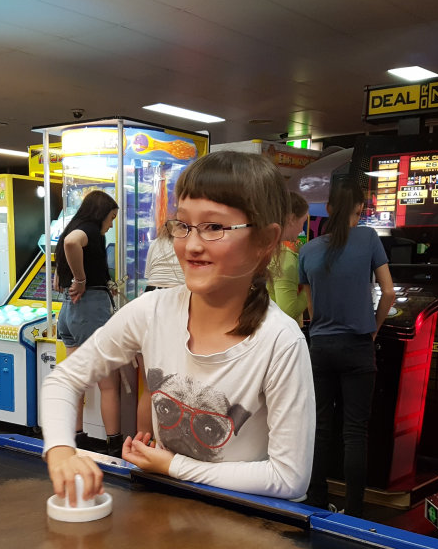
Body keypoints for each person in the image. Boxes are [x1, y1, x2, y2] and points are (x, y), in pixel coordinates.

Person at [41, 151, 315, 506]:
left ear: (264, 240)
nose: (193, 245)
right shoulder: (152, 311)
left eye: (214, 227)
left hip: (247, 530)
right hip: (167, 517)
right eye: (183, 225)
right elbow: (65, 379)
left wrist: (174, 466)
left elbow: (288, 477)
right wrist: (61, 451)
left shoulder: (279, 341)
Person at [298, 177, 395, 517]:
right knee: (355, 431)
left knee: (320, 427)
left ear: (328, 209)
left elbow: (310, 306)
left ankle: (316, 499)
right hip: (357, 346)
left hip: (320, 347)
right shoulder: (368, 238)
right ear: (360, 208)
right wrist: (374, 329)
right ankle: (354, 510)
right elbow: (390, 293)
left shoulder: (308, 249)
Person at [53, 190, 122, 454]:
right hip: (90, 310)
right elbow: (73, 243)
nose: (112, 224)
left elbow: (66, 250)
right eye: (112, 217)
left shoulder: (73, 226)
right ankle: (114, 446)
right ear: (102, 213)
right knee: (108, 383)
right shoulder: (89, 230)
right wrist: (81, 280)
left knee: (75, 382)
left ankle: (77, 440)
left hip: (70, 313)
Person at [137, 220, 186, 434]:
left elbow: (149, 274)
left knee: (148, 387)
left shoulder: (156, 243)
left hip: (149, 300)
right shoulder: (186, 242)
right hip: (175, 300)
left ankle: (142, 443)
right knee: (176, 384)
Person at [267, 191, 310, 326]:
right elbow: (288, 312)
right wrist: (310, 290)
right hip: (279, 335)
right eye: (302, 222)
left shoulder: (267, 249)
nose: (301, 230)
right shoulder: (285, 259)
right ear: (291, 219)